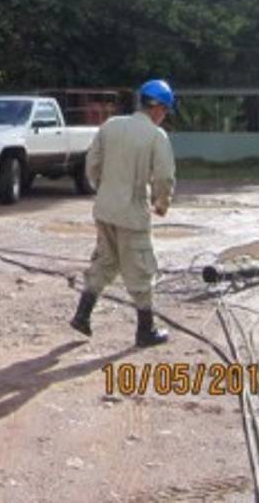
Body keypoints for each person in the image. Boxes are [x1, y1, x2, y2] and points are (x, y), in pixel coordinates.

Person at [69, 79, 176, 348]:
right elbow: (164, 177)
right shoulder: (155, 136)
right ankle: (145, 331)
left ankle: (82, 315)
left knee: (105, 261)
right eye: (164, 111)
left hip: (105, 210)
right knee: (140, 269)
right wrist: (162, 203)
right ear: (158, 108)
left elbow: (92, 163)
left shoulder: (110, 125)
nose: (163, 117)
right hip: (132, 213)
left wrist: (102, 189)